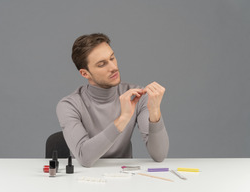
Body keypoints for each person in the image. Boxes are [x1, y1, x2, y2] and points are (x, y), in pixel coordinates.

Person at [56, 33, 169, 167]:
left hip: (124, 174)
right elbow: (85, 158)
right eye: (102, 64)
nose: (113, 67)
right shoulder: (69, 105)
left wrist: (155, 112)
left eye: (112, 58)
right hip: (85, 178)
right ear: (85, 73)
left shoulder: (138, 96)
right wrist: (123, 118)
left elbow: (159, 155)